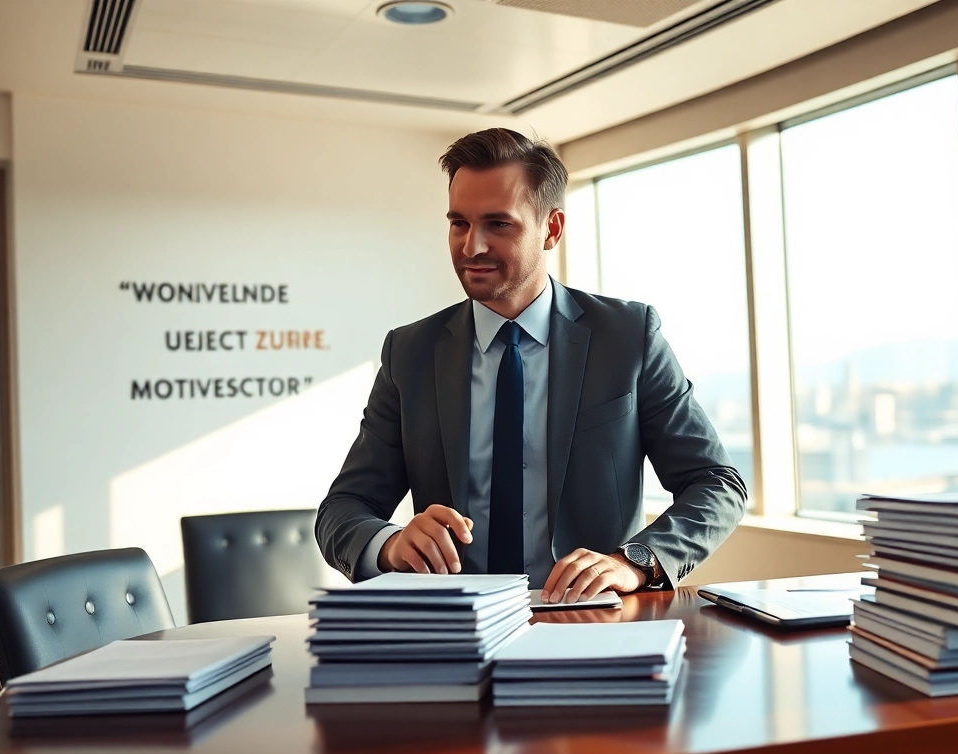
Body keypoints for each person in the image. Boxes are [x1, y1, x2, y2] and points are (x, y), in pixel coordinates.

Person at [316, 128, 746, 603]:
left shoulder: (627, 337)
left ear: (552, 229)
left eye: (498, 224)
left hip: (592, 626)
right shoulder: (410, 353)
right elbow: (343, 509)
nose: (471, 247)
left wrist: (637, 562)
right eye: (459, 223)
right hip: (454, 631)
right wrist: (392, 544)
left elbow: (717, 484)